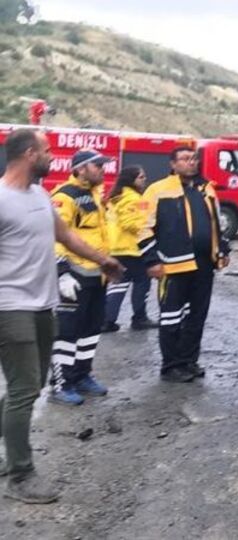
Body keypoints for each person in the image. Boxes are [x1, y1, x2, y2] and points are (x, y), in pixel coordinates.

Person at [1, 129, 122, 503]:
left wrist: (103, 260)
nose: (53, 157)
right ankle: (20, 475)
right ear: (29, 153)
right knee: (24, 389)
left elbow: (66, 236)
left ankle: (11, 448)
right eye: (47, 150)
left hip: (43, 305)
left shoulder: (40, 195)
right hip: (10, 307)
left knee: (31, 386)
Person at [139, 146, 230, 383]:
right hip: (173, 265)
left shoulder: (206, 188)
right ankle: (171, 366)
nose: (191, 162)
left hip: (204, 264)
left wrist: (223, 249)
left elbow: (217, 223)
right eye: (184, 159)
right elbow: (143, 227)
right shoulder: (157, 190)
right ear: (173, 164)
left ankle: (189, 360)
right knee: (171, 317)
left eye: (193, 158)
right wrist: (152, 260)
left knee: (196, 316)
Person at [48, 149, 117, 406]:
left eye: (103, 165)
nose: (103, 169)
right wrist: (62, 273)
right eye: (97, 165)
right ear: (80, 169)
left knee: (91, 329)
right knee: (67, 332)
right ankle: (61, 385)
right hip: (74, 277)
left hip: (96, 276)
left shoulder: (95, 195)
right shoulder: (64, 196)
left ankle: (81, 375)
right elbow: (55, 237)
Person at [103, 166, 158, 333]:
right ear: (131, 180)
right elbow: (131, 223)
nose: (144, 179)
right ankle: (139, 318)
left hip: (117, 248)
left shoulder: (116, 197)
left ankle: (108, 320)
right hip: (133, 248)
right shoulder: (134, 199)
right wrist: (151, 227)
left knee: (119, 284)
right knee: (142, 282)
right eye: (141, 177)